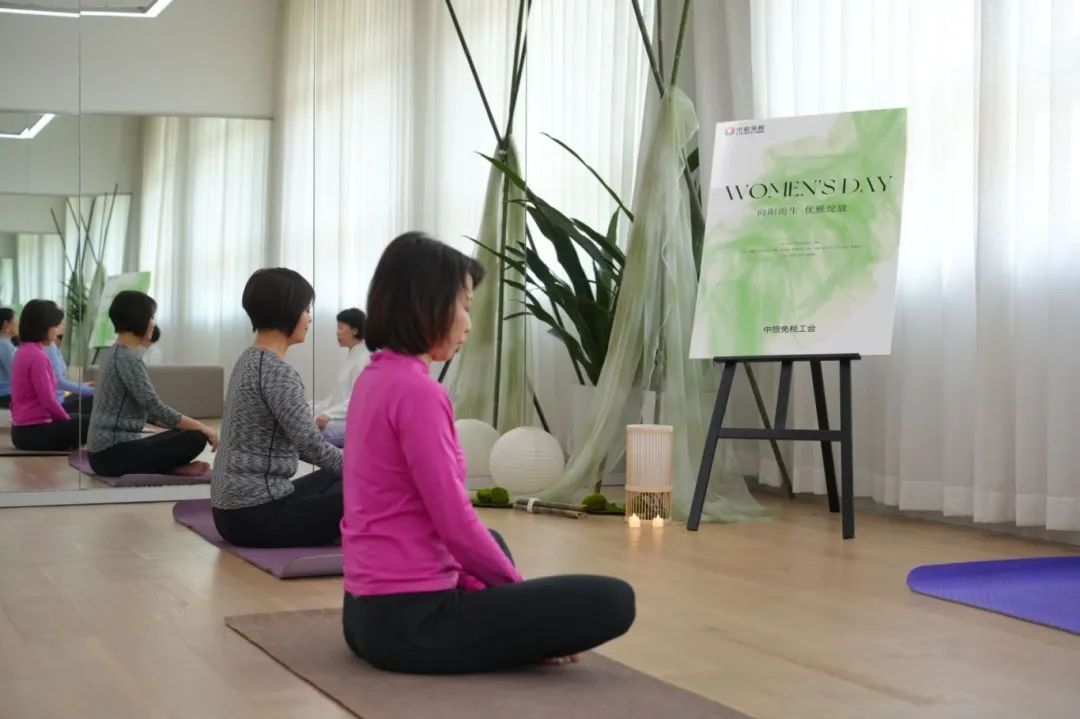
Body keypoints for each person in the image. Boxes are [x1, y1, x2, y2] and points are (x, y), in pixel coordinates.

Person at [340, 232, 635, 675]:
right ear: (427, 304)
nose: (468, 324)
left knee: (492, 541)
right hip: (412, 623)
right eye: (464, 306)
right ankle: (516, 633)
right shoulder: (419, 392)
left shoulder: (374, 378)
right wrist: (522, 604)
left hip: (364, 613)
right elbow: (455, 523)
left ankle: (508, 628)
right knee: (615, 600)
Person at [211, 268, 344, 548]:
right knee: (374, 488)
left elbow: (306, 445)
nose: (309, 318)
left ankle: (334, 529)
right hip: (256, 517)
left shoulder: (248, 360)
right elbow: (311, 446)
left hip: (231, 513)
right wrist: (371, 470)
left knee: (339, 477)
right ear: (288, 311)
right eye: (306, 309)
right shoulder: (276, 371)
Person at [86, 291, 216, 477]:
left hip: (104, 454)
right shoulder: (127, 358)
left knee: (184, 431)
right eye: (152, 317)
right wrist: (201, 427)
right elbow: (155, 408)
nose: (153, 323)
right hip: (110, 456)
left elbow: (151, 413)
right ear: (138, 318)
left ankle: (172, 468)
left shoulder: (114, 353)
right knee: (195, 438)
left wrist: (184, 425)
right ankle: (170, 468)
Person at [9, 300, 89, 451]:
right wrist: (67, 421)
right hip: (33, 432)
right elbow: (48, 400)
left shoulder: (22, 351)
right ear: (42, 327)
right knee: (91, 424)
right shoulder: (37, 356)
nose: (57, 331)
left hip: (21, 431)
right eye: (55, 326)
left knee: (80, 419)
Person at [313, 308, 370, 448]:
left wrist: (328, 414)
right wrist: (315, 408)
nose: (337, 332)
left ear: (354, 330)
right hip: (342, 417)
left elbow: (357, 400)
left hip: (354, 422)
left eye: (340, 327)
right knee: (307, 415)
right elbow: (336, 398)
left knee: (309, 434)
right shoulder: (352, 356)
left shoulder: (363, 359)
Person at [47, 322, 95, 415]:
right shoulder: (48, 347)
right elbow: (59, 382)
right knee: (96, 398)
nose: (63, 325)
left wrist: (83, 385)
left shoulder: (52, 346)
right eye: (59, 322)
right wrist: (93, 391)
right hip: (58, 404)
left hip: (60, 399)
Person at [0, 307, 18, 409]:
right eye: (16, 321)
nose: (18, 324)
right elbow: (15, 374)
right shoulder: (4, 345)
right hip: (7, 395)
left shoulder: (6, 343)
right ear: (6, 324)